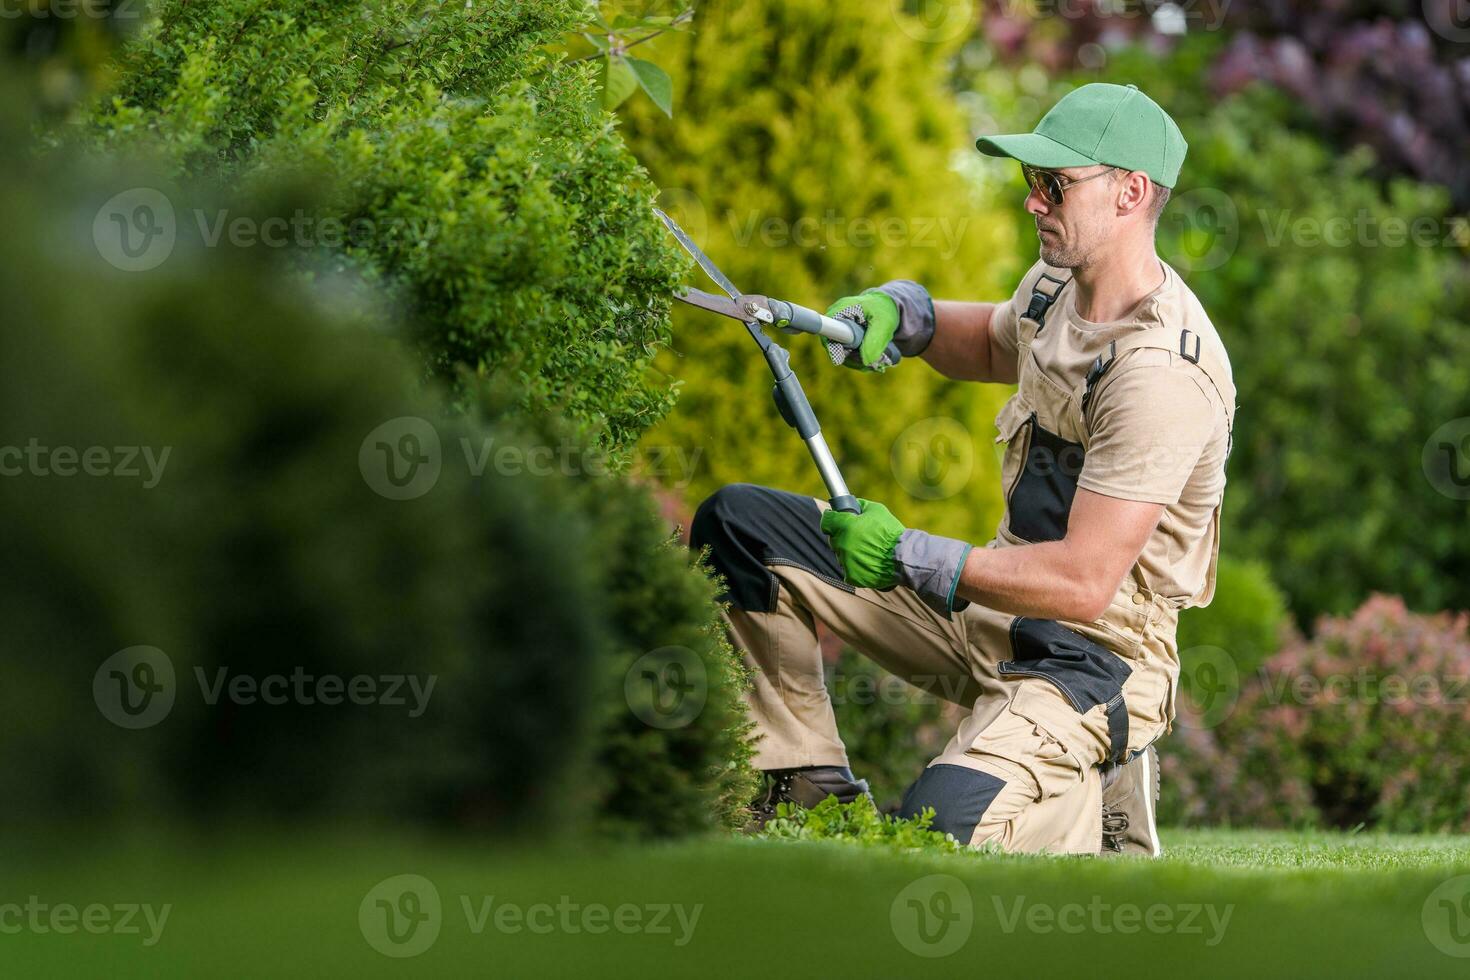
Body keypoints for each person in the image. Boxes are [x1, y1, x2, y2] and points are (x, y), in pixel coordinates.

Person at [691, 82, 1235, 855]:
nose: (1033, 203)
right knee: (741, 527)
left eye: (1055, 185)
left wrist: (907, 554)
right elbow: (986, 342)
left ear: (1130, 193)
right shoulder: (1057, 289)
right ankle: (803, 784)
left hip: (1092, 661)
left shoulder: (1160, 374)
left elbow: (1084, 582)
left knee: (935, 834)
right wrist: (904, 313)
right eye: (1029, 183)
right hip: (990, 615)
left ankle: (1095, 791)